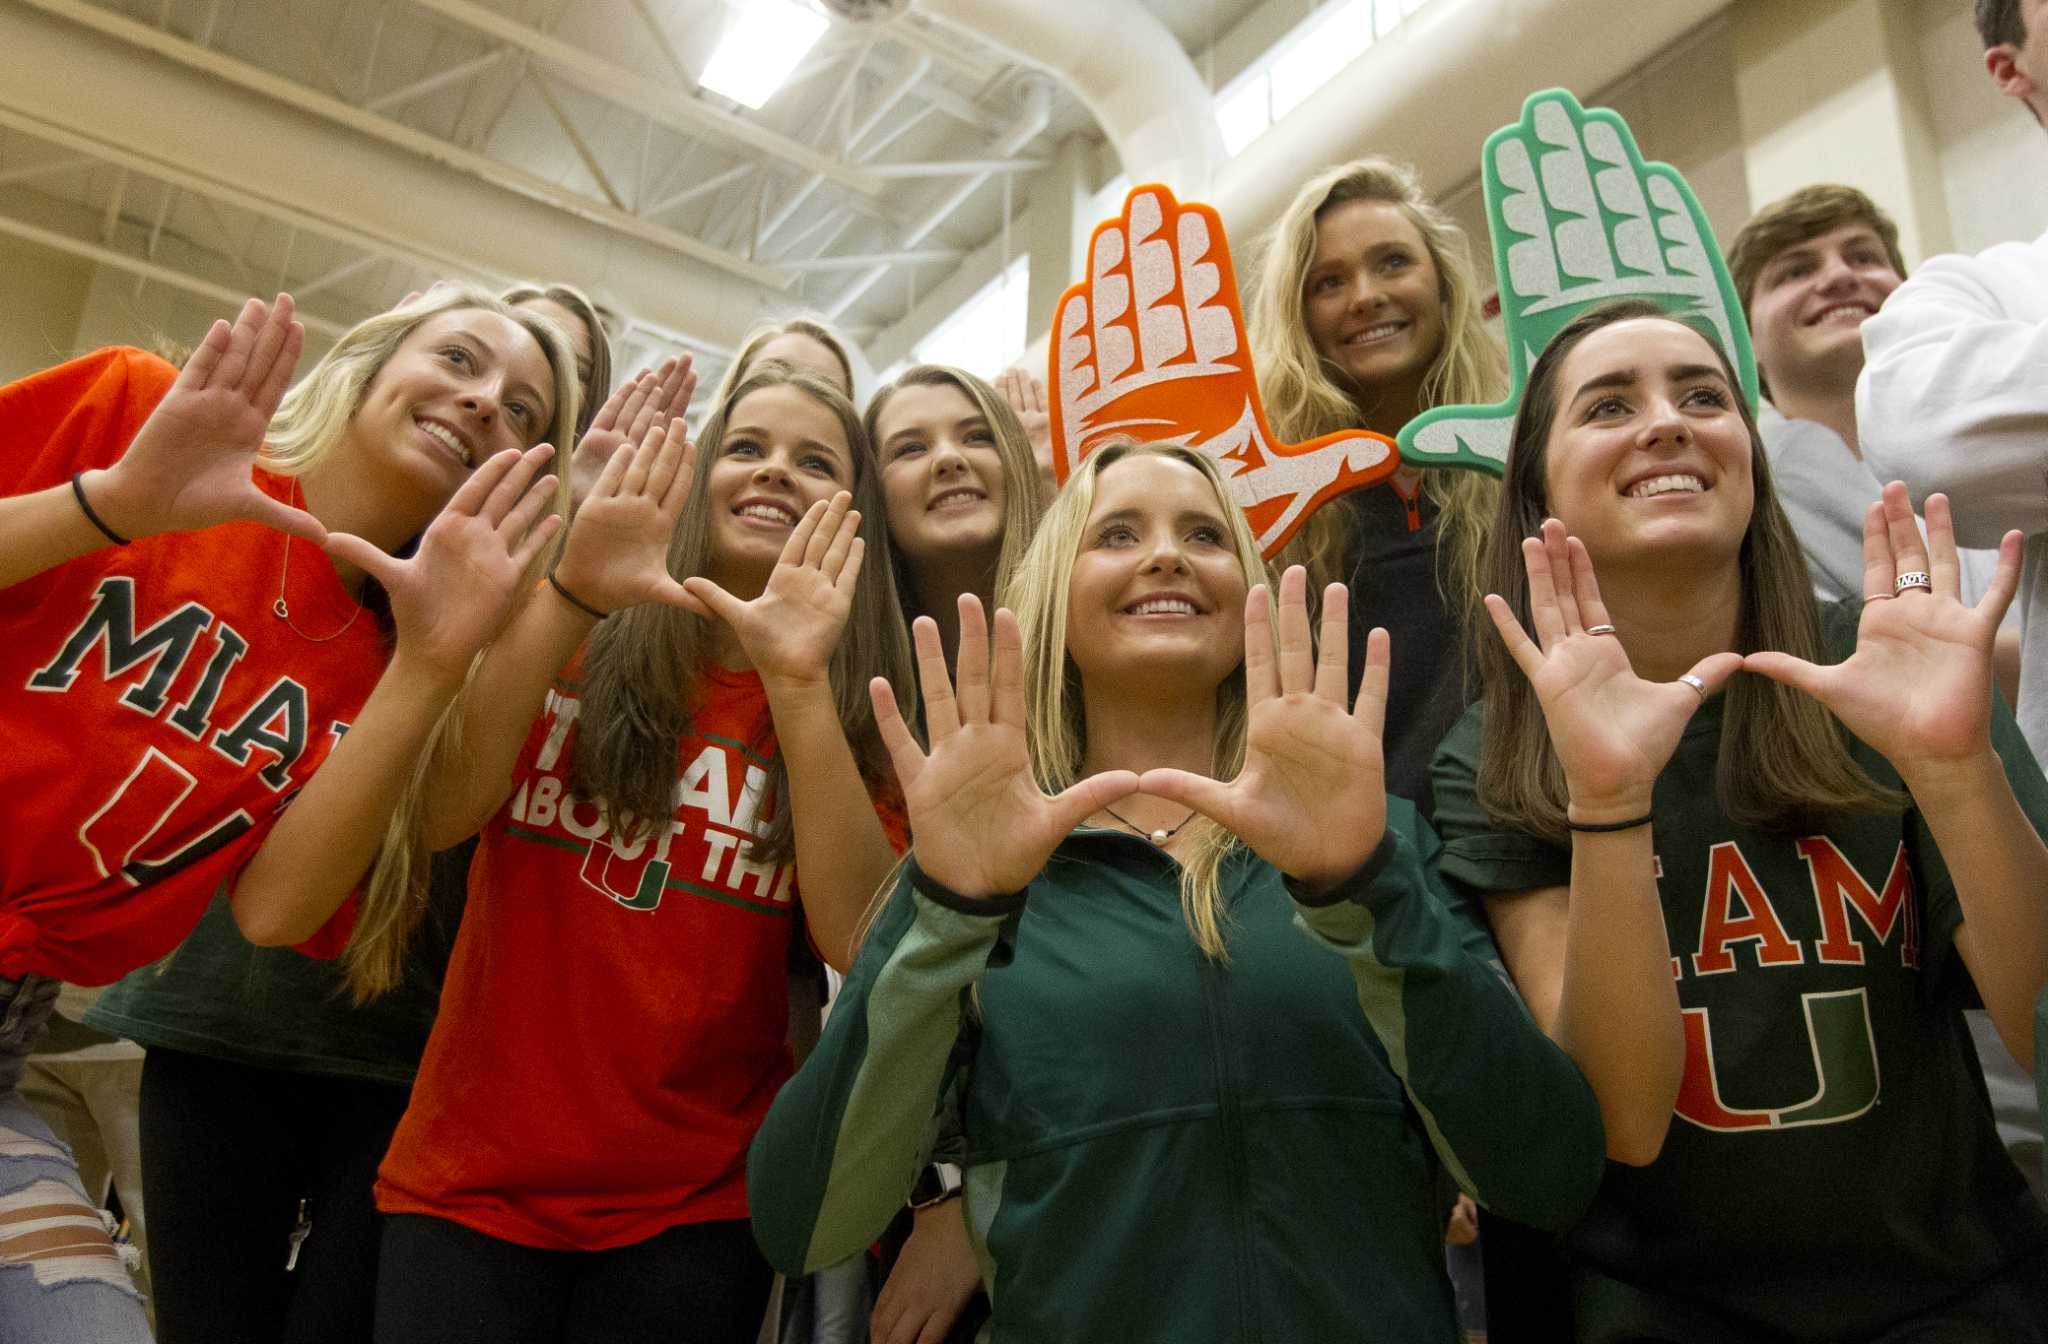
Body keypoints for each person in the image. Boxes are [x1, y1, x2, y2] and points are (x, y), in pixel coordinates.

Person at [747, 440, 1607, 1341]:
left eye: (1205, 534)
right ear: (1053, 597)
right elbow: (804, 1221)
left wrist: (1365, 886)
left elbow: (1545, 1174)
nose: (1167, 555)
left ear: (1252, 594)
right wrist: (943, 908)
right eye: (1117, 533)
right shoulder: (986, 871)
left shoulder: (1372, 840)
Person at [1434, 299, 2048, 1339]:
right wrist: (1609, 803)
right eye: (1608, 405)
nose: (1666, 422)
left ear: (1748, 460)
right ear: (1535, 485)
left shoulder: (1887, 666)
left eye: (1703, 395)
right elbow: (1618, 1124)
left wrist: (1951, 766)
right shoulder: (1491, 750)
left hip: (1954, 1300)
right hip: (1659, 1316)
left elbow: (2040, 1029)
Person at [0, 285, 579, 1341]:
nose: (487, 401)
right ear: (370, 361)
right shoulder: (141, 410)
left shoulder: (380, 663)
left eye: (527, 411)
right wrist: (116, 504)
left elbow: (274, 912)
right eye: (458, 358)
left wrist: (436, 662)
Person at [371, 363, 912, 1344]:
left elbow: (855, 940)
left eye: (812, 461)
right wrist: (570, 591)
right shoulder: (570, 632)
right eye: (745, 447)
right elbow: (443, 811)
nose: (773, 473)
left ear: (851, 516)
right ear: (694, 472)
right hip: (466, 1179)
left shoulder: (852, 719)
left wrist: (795, 685)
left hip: (692, 1208)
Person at [852, 363, 1051, 1344]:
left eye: (972, 433)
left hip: (1101, 1147)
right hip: (916, 1172)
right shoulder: (854, 695)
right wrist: (942, 1193)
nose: (947, 461)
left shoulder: (1092, 655)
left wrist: (983, 1187)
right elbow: (879, 970)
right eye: (908, 445)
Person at [1247, 155, 1506, 813]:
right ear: (1299, 316)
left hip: (1535, 835)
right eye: (1329, 281)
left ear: (1444, 288)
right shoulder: (1271, 510)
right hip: (1352, 863)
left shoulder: (1525, 463)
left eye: (1393, 262)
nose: (1365, 295)